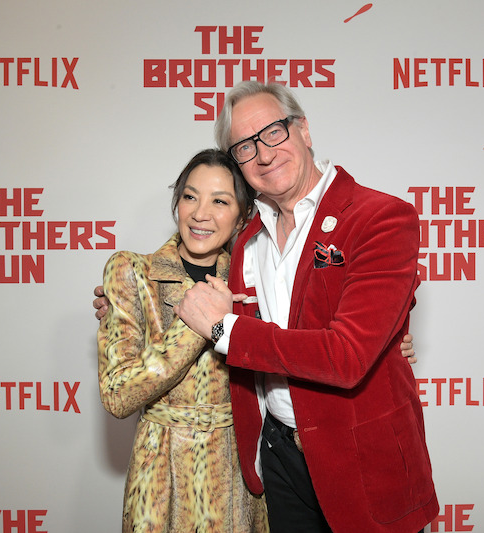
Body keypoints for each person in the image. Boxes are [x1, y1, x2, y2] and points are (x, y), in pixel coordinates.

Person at [173, 81, 439, 533]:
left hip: (363, 463)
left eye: (273, 132)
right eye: (244, 146)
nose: (263, 153)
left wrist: (226, 331)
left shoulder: (381, 218)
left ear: (304, 130)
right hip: (277, 460)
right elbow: (193, 259)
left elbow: (348, 356)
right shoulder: (246, 238)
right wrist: (129, 294)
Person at [97, 149, 268, 533]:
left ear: (243, 216)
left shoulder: (255, 282)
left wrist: (391, 348)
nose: (200, 213)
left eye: (220, 201)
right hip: (158, 473)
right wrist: (197, 321)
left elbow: (310, 346)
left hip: (236, 474)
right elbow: (117, 394)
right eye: (190, 196)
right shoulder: (131, 271)